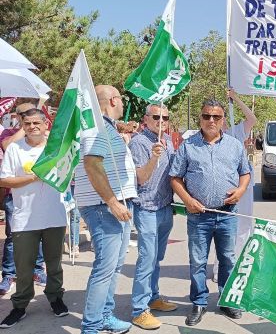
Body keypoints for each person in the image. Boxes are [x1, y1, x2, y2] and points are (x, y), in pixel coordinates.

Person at [169, 99, 250, 326]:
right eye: (206, 116)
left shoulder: (235, 145)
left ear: (223, 120)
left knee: (227, 259)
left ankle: (226, 300)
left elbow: (245, 172)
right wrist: (188, 200)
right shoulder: (187, 146)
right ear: (200, 118)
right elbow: (175, 177)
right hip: (198, 215)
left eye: (216, 117)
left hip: (227, 214)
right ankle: (199, 303)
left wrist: (241, 189)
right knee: (198, 261)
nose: (211, 120)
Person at [75, 85, 137, 334]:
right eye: (121, 100)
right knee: (104, 269)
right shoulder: (98, 126)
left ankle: (104, 316)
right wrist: (112, 202)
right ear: (113, 100)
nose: (123, 105)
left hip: (112, 205)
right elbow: (91, 164)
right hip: (104, 208)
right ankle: (91, 326)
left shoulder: (106, 126)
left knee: (114, 267)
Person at [0, 108, 69, 328]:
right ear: (23, 125)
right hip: (24, 218)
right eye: (27, 123)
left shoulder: (55, 148)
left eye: (36, 123)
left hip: (54, 215)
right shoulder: (15, 149)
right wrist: (33, 178)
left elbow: (69, 173)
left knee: (54, 264)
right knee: (23, 266)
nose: (32, 127)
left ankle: (55, 298)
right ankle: (20, 306)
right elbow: (5, 181)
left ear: (46, 123)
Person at [128, 104, 177, 330]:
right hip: (147, 208)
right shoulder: (139, 142)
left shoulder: (167, 139)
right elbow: (141, 178)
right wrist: (153, 158)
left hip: (165, 207)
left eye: (165, 117)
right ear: (145, 119)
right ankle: (139, 310)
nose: (161, 121)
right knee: (146, 259)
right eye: (156, 117)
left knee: (156, 257)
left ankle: (153, 296)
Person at [0, 102, 47, 296]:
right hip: (15, 195)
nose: (31, 120)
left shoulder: (40, 132)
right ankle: (9, 275)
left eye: (34, 115)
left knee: (42, 235)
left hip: (41, 196)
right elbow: (7, 146)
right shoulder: (8, 134)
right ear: (18, 118)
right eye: (25, 115)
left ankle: (38, 270)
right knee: (13, 237)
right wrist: (24, 128)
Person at [222, 88, 257, 260]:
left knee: (244, 223)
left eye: (220, 116)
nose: (216, 121)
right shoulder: (208, 138)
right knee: (225, 226)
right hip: (225, 185)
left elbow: (252, 119)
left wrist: (235, 98)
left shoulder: (235, 132)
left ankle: (241, 260)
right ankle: (222, 265)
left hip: (244, 184)